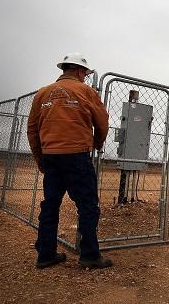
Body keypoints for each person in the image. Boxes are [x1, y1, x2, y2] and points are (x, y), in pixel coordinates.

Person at [27, 53, 111, 269]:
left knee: (50, 204)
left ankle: (45, 254)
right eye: (85, 73)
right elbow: (102, 122)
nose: (85, 77)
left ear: (64, 69)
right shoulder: (86, 91)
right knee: (88, 205)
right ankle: (90, 254)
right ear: (80, 71)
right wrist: (97, 144)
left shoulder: (42, 94)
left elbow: (32, 129)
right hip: (76, 155)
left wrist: (41, 159)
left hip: (51, 156)